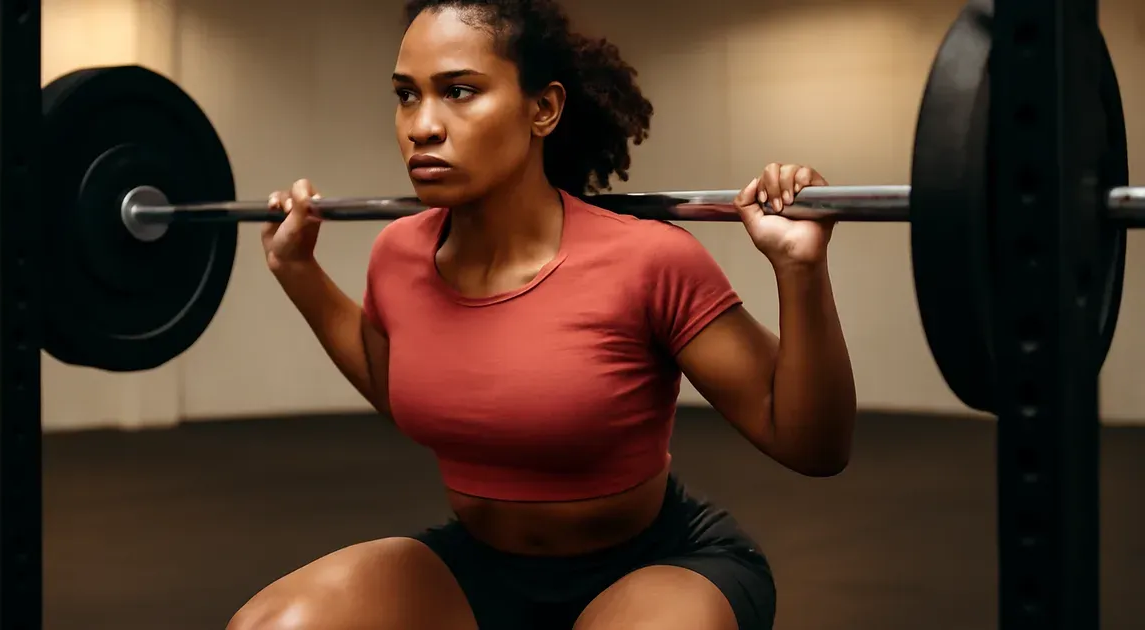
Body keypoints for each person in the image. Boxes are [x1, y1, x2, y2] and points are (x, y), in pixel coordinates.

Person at [231, 0, 856, 628]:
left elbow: (812, 445)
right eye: (406, 95)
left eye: (459, 91)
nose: (422, 126)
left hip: (656, 564)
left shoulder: (648, 260)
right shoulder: (398, 254)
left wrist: (799, 269)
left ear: (543, 109)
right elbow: (398, 384)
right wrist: (297, 270)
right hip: (480, 570)